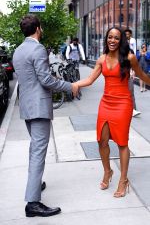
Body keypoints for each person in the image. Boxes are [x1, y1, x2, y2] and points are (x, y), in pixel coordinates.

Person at [13, 14, 78, 217]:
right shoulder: (38, 48)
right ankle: (32, 204)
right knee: (38, 152)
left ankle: (35, 184)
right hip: (39, 107)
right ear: (38, 28)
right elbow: (45, 80)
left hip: (26, 106)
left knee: (35, 148)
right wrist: (70, 86)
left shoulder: (18, 50)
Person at [75, 27, 150, 198]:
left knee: (122, 143)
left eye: (116, 38)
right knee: (102, 141)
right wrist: (76, 84)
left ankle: (123, 180)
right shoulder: (101, 59)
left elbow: (142, 75)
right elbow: (90, 79)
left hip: (123, 104)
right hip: (106, 103)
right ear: (106, 39)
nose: (112, 40)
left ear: (121, 40)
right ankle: (107, 171)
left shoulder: (129, 58)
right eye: (110, 37)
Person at [124, 29, 141, 117]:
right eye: (125, 34)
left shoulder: (133, 41)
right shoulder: (122, 45)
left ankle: (133, 109)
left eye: (128, 34)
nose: (127, 35)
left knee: (131, 92)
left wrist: (133, 71)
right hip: (121, 77)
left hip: (129, 75)